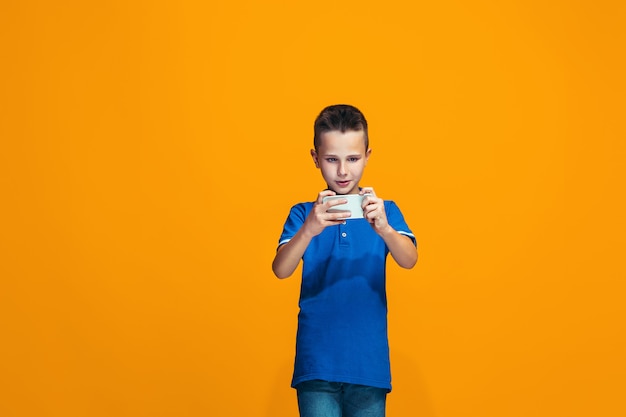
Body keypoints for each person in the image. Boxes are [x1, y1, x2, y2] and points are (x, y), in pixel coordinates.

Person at [272, 104, 418, 417]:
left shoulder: (385, 210)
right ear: (315, 158)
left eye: (352, 159)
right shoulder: (303, 214)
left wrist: (384, 228)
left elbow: (409, 259)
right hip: (316, 363)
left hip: (369, 364)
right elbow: (281, 269)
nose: (342, 171)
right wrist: (309, 229)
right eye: (331, 159)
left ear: (367, 155)